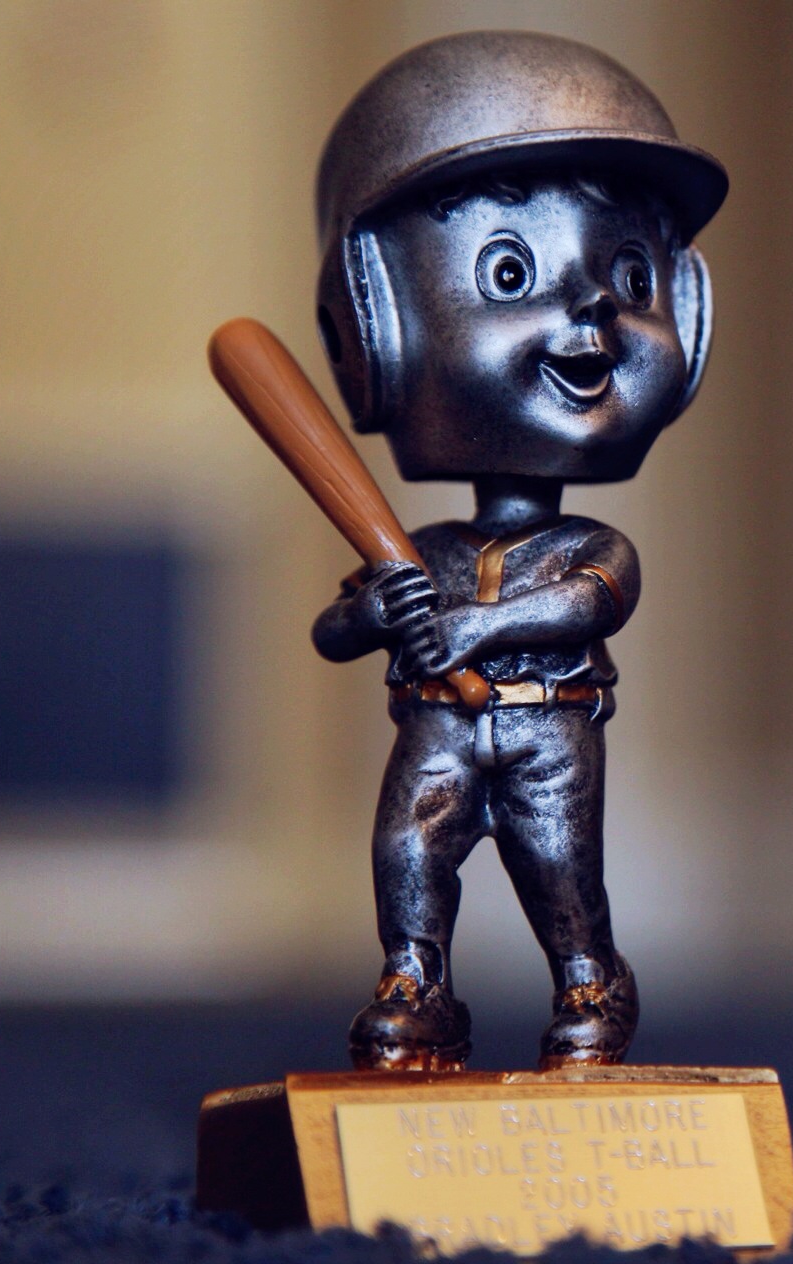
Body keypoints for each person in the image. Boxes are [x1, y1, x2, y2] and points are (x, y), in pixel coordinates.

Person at [305, 31, 725, 1071]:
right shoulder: (418, 550)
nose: (594, 306)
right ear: (371, 325)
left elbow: (587, 601)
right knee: (409, 848)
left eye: (632, 274)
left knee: (559, 870)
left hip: (549, 732)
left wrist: (474, 626)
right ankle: (416, 981)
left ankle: (590, 982)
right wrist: (376, 610)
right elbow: (334, 628)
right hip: (439, 729)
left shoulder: (590, 542)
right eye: (509, 270)